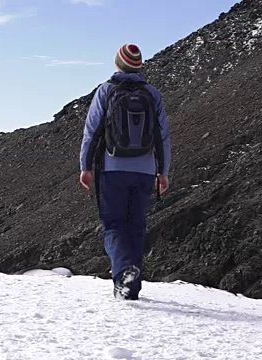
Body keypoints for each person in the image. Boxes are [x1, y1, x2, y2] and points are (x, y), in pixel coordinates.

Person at [79, 44, 171, 300]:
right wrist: (163, 172)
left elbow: (92, 132)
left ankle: (123, 273)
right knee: (136, 227)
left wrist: (85, 167)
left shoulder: (106, 91)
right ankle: (132, 288)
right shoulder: (153, 94)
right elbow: (162, 137)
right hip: (144, 172)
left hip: (112, 169)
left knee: (114, 226)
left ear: (118, 64)